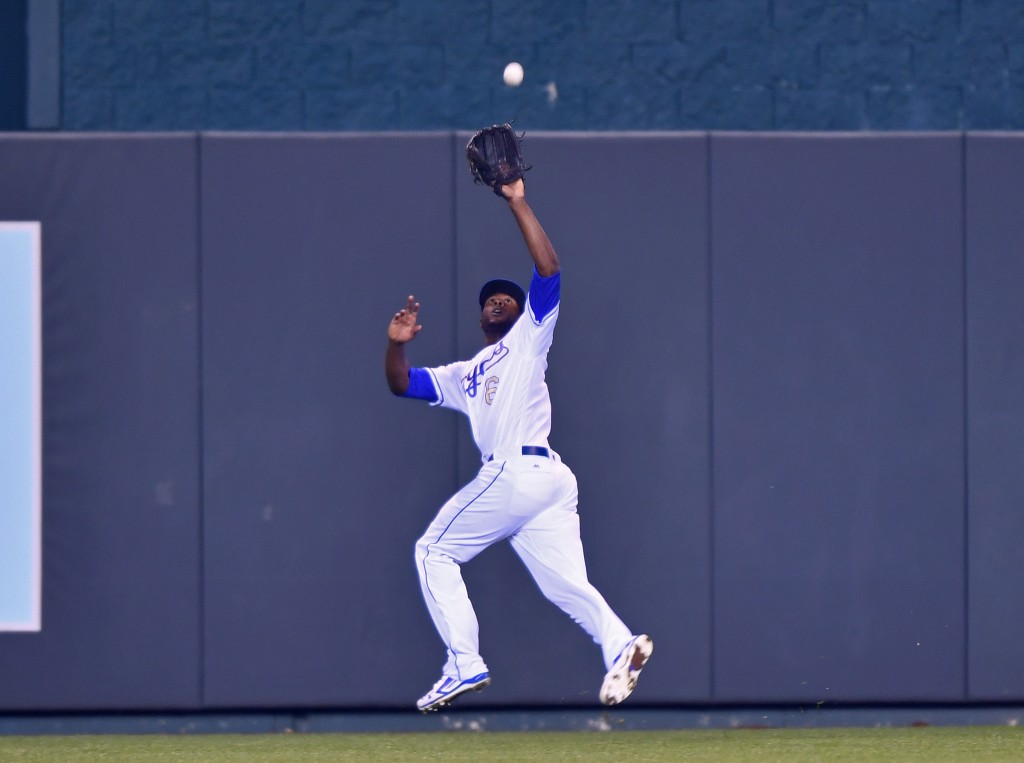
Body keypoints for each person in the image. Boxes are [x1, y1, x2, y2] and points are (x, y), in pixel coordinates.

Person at [385, 176, 652, 713]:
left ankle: (464, 663)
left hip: (524, 472)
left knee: (434, 551)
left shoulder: (530, 337)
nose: (499, 300)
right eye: (491, 298)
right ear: (481, 315)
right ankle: (621, 645)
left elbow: (549, 269)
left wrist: (518, 201)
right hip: (543, 485)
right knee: (564, 586)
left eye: (508, 296)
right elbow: (402, 384)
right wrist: (394, 348)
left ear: (519, 310)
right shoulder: (466, 372)